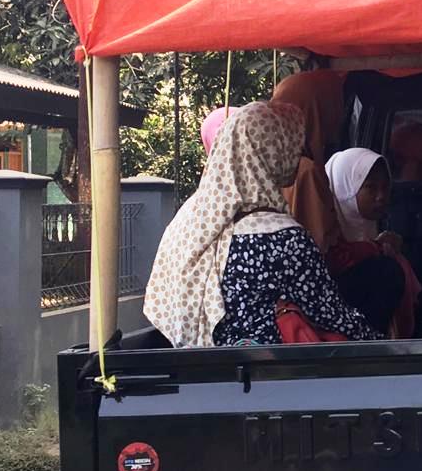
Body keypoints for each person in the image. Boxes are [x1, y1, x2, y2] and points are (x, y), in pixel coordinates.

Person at [144, 102, 378, 348]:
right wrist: (386, 346)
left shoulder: (190, 220)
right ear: (274, 150)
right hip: (271, 375)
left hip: (200, 368)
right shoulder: (285, 239)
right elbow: (331, 317)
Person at [325, 147, 422, 338]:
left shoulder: (373, 233)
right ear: (347, 188)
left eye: (385, 188)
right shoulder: (325, 232)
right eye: (370, 187)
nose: (381, 196)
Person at [270, 69, 347, 255]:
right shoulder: (305, 170)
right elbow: (322, 246)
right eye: (334, 105)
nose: (340, 115)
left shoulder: (264, 164)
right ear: (319, 110)